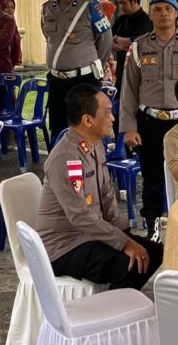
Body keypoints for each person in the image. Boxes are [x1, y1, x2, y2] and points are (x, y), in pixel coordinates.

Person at [35, 83, 162, 290]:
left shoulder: (95, 145)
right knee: (128, 263)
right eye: (107, 113)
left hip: (89, 235)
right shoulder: (68, 158)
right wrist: (125, 243)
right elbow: (80, 216)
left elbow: (106, 194)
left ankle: (118, 302)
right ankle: (110, 314)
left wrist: (124, 233)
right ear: (88, 120)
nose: (113, 118)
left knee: (154, 251)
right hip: (65, 246)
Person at [119, 0, 178, 237]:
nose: (163, 14)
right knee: (151, 176)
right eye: (157, 9)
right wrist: (129, 127)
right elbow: (128, 89)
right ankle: (152, 226)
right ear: (150, 14)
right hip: (149, 121)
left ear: (177, 14)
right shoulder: (139, 47)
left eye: (168, 9)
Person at [41, 0, 113, 141]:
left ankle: (87, 166)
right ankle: (61, 165)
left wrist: (97, 65)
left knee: (86, 126)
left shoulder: (90, 8)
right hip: (57, 80)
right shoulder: (47, 8)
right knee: (58, 127)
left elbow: (105, 40)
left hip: (83, 79)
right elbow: (48, 36)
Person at [111, 0, 152, 98]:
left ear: (134, 1)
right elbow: (108, 42)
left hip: (139, 70)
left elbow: (135, 44)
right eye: (119, 3)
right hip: (121, 68)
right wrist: (121, 46)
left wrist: (117, 38)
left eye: (123, 3)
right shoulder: (121, 20)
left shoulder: (146, 21)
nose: (121, 6)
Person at [2, 0, 22, 68]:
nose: (10, 10)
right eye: (6, 7)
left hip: (10, 60)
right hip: (1, 60)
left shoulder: (13, 23)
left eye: (12, 7)